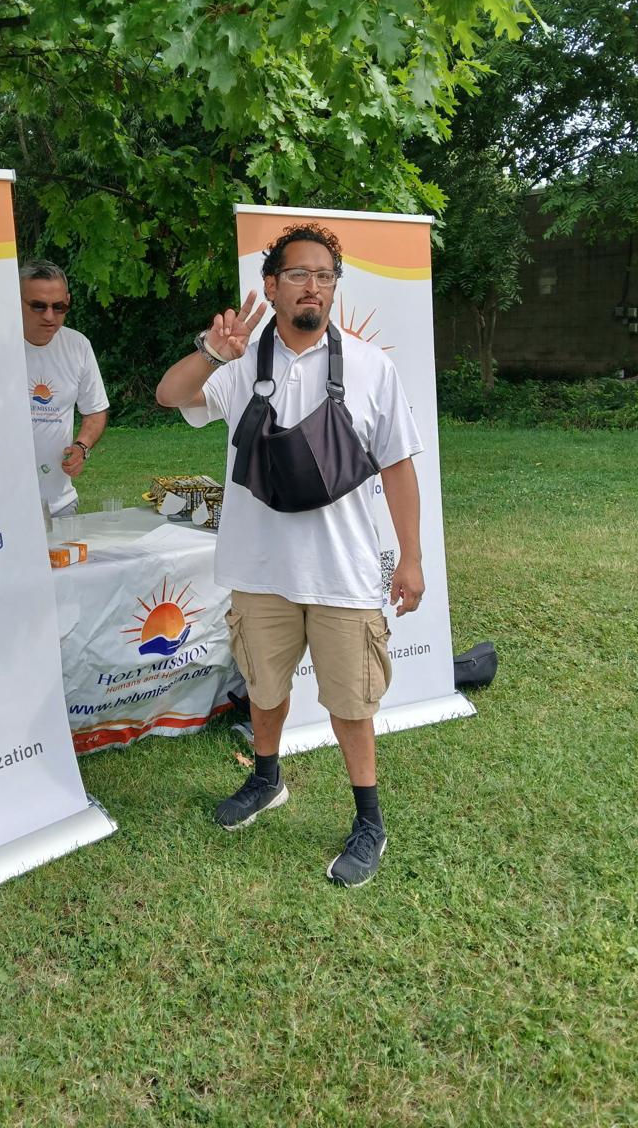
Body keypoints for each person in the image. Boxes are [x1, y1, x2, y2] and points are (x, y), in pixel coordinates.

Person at [156, 223, 425, 887]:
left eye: (325, 276)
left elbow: (397, 465)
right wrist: (211, 353)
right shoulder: (239, 362)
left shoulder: (370, 367)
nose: (314, 287)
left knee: (351, 704)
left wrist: (412, 558)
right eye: (299, 275)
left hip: (343, 571)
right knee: (265, 688)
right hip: (259, 569)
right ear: (271, 286)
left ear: (334, 288)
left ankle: (369, 821)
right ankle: (266, 779)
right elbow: (170, 395)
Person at [20, 259, 109, 517]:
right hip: (0, 506)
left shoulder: (78, 346)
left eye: (59, 307)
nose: (50, 316)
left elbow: (95, 410)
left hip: (59, 504)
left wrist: (82, 447)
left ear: (68, 301)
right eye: (38, 306)